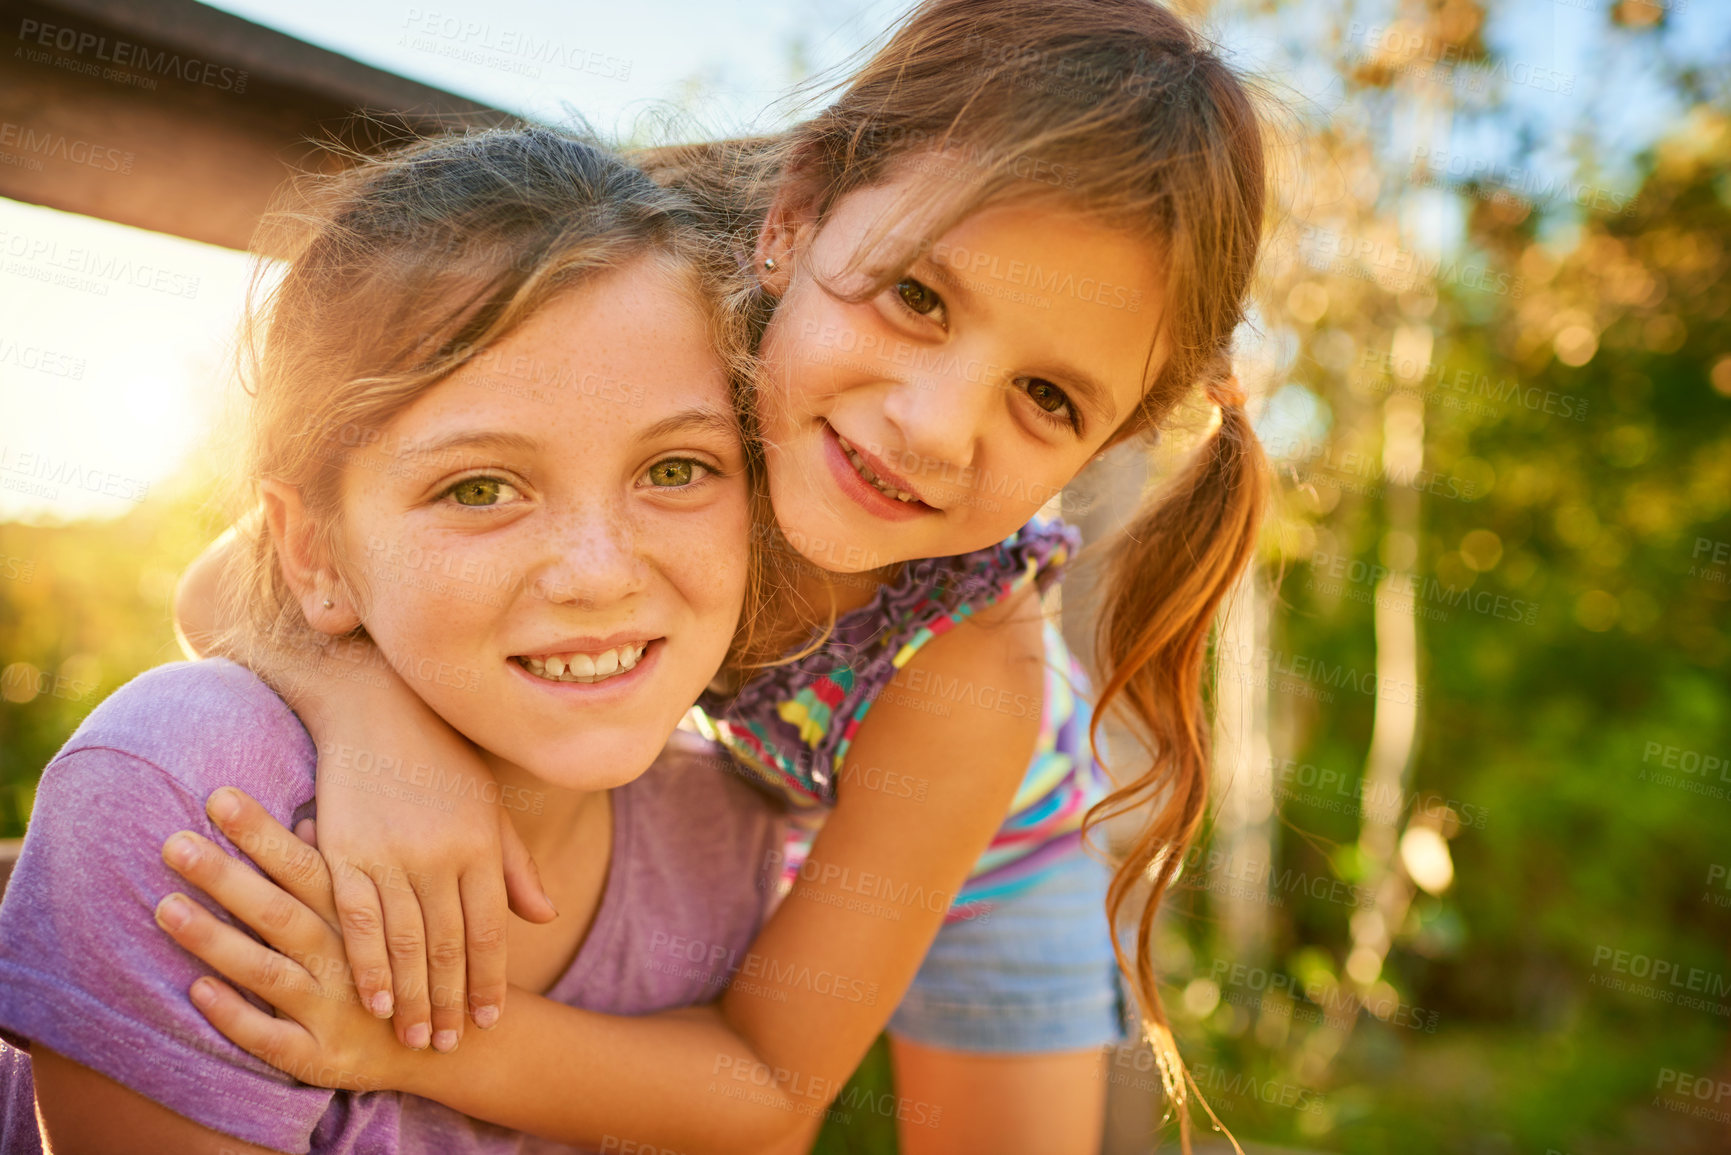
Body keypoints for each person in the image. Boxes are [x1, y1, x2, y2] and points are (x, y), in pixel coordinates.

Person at [173, 0, 1270, 1149]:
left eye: (1048, 400)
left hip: (998, 850)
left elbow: (766, 1087)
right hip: (751, 808)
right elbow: (228, 585)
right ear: (793, 219)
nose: (936, 430)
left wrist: (404, 1037)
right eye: (917, 295)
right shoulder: (637, 331)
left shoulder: (967, 672)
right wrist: (379, 731)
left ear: (1100, 449)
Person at [0, 127, 788, 1154]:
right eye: (479, 488)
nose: (599, 571)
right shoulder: (197, 794)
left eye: (677, 469)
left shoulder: (719, 836)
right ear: (315, 552)